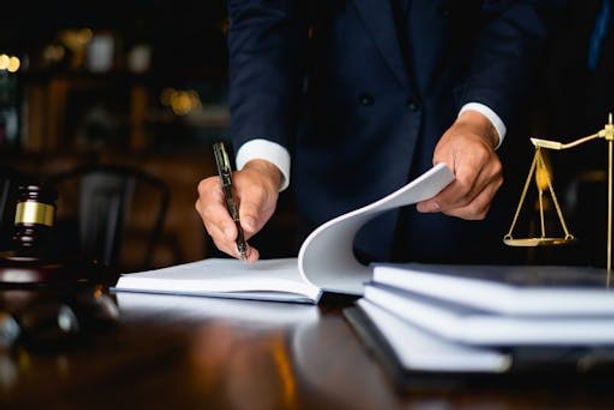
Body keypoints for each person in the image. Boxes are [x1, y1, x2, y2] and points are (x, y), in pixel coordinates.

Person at [196, 0, 566, 265]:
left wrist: (479, 122)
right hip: (339, 189)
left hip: (468, 185)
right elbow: (265, 18)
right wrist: (261, 164)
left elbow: (519, 11)